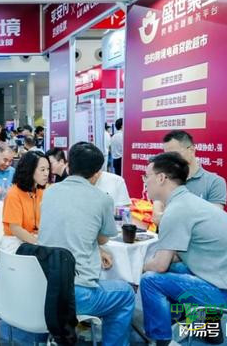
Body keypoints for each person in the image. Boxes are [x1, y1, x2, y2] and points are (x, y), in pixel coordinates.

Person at [140, 152, 227, 346]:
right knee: (175, 269)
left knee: (150, 280)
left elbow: (160, 265)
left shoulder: (176, 211)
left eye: (147, 176)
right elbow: (174, 257)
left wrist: (138, 266)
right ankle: (205, 327)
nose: (145, 182)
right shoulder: (189, 202)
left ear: (161, 178)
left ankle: (163, 340)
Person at [38, 142, 135, 346]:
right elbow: (104, 238)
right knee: (126, 293)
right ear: (97, 173)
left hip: (41, 284)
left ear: (69, 165)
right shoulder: (102, 199)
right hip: (75, 294)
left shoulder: (50, 192)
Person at [153, 130, 227, 225]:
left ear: (191, 150)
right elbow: (157, 217)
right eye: (166, 156)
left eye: (174, 154)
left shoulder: (214, 182)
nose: (170, 160)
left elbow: (213, 219)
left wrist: (171, 217)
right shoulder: (165, 179)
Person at [0, 151, 49, 252]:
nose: (46, 173)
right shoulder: (14, 194)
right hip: (15, 242)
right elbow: (16, 229)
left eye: (48, 169)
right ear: (30, 170)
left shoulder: (41, 191)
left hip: (34, 239)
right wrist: (38, 244)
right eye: (42, 170)